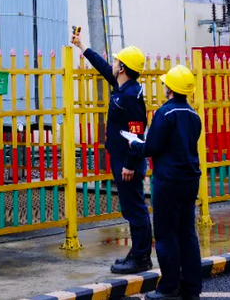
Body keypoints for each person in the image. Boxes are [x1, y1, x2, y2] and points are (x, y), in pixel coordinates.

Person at [71, 34, 153, 273]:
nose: (113, 64)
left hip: (128, 161)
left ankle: (141, 258)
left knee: (135, 209)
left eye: (116, 61)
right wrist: (82, 46)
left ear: (123, 68)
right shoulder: (123, 86)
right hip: (121, 158)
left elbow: (137, 133)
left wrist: (130, 163)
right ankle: (138, 253)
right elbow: (103, 67)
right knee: (131, 208)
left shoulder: (131, 96)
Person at [123, 65, 202, 300]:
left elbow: (152, 147)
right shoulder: (194, 115)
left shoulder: (165, 113)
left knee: (166, 235)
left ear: (170, 89)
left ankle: (168, 287)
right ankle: (192, 288)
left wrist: (135, 145)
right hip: (190, 180)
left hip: (168, 182)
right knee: (188, 233)